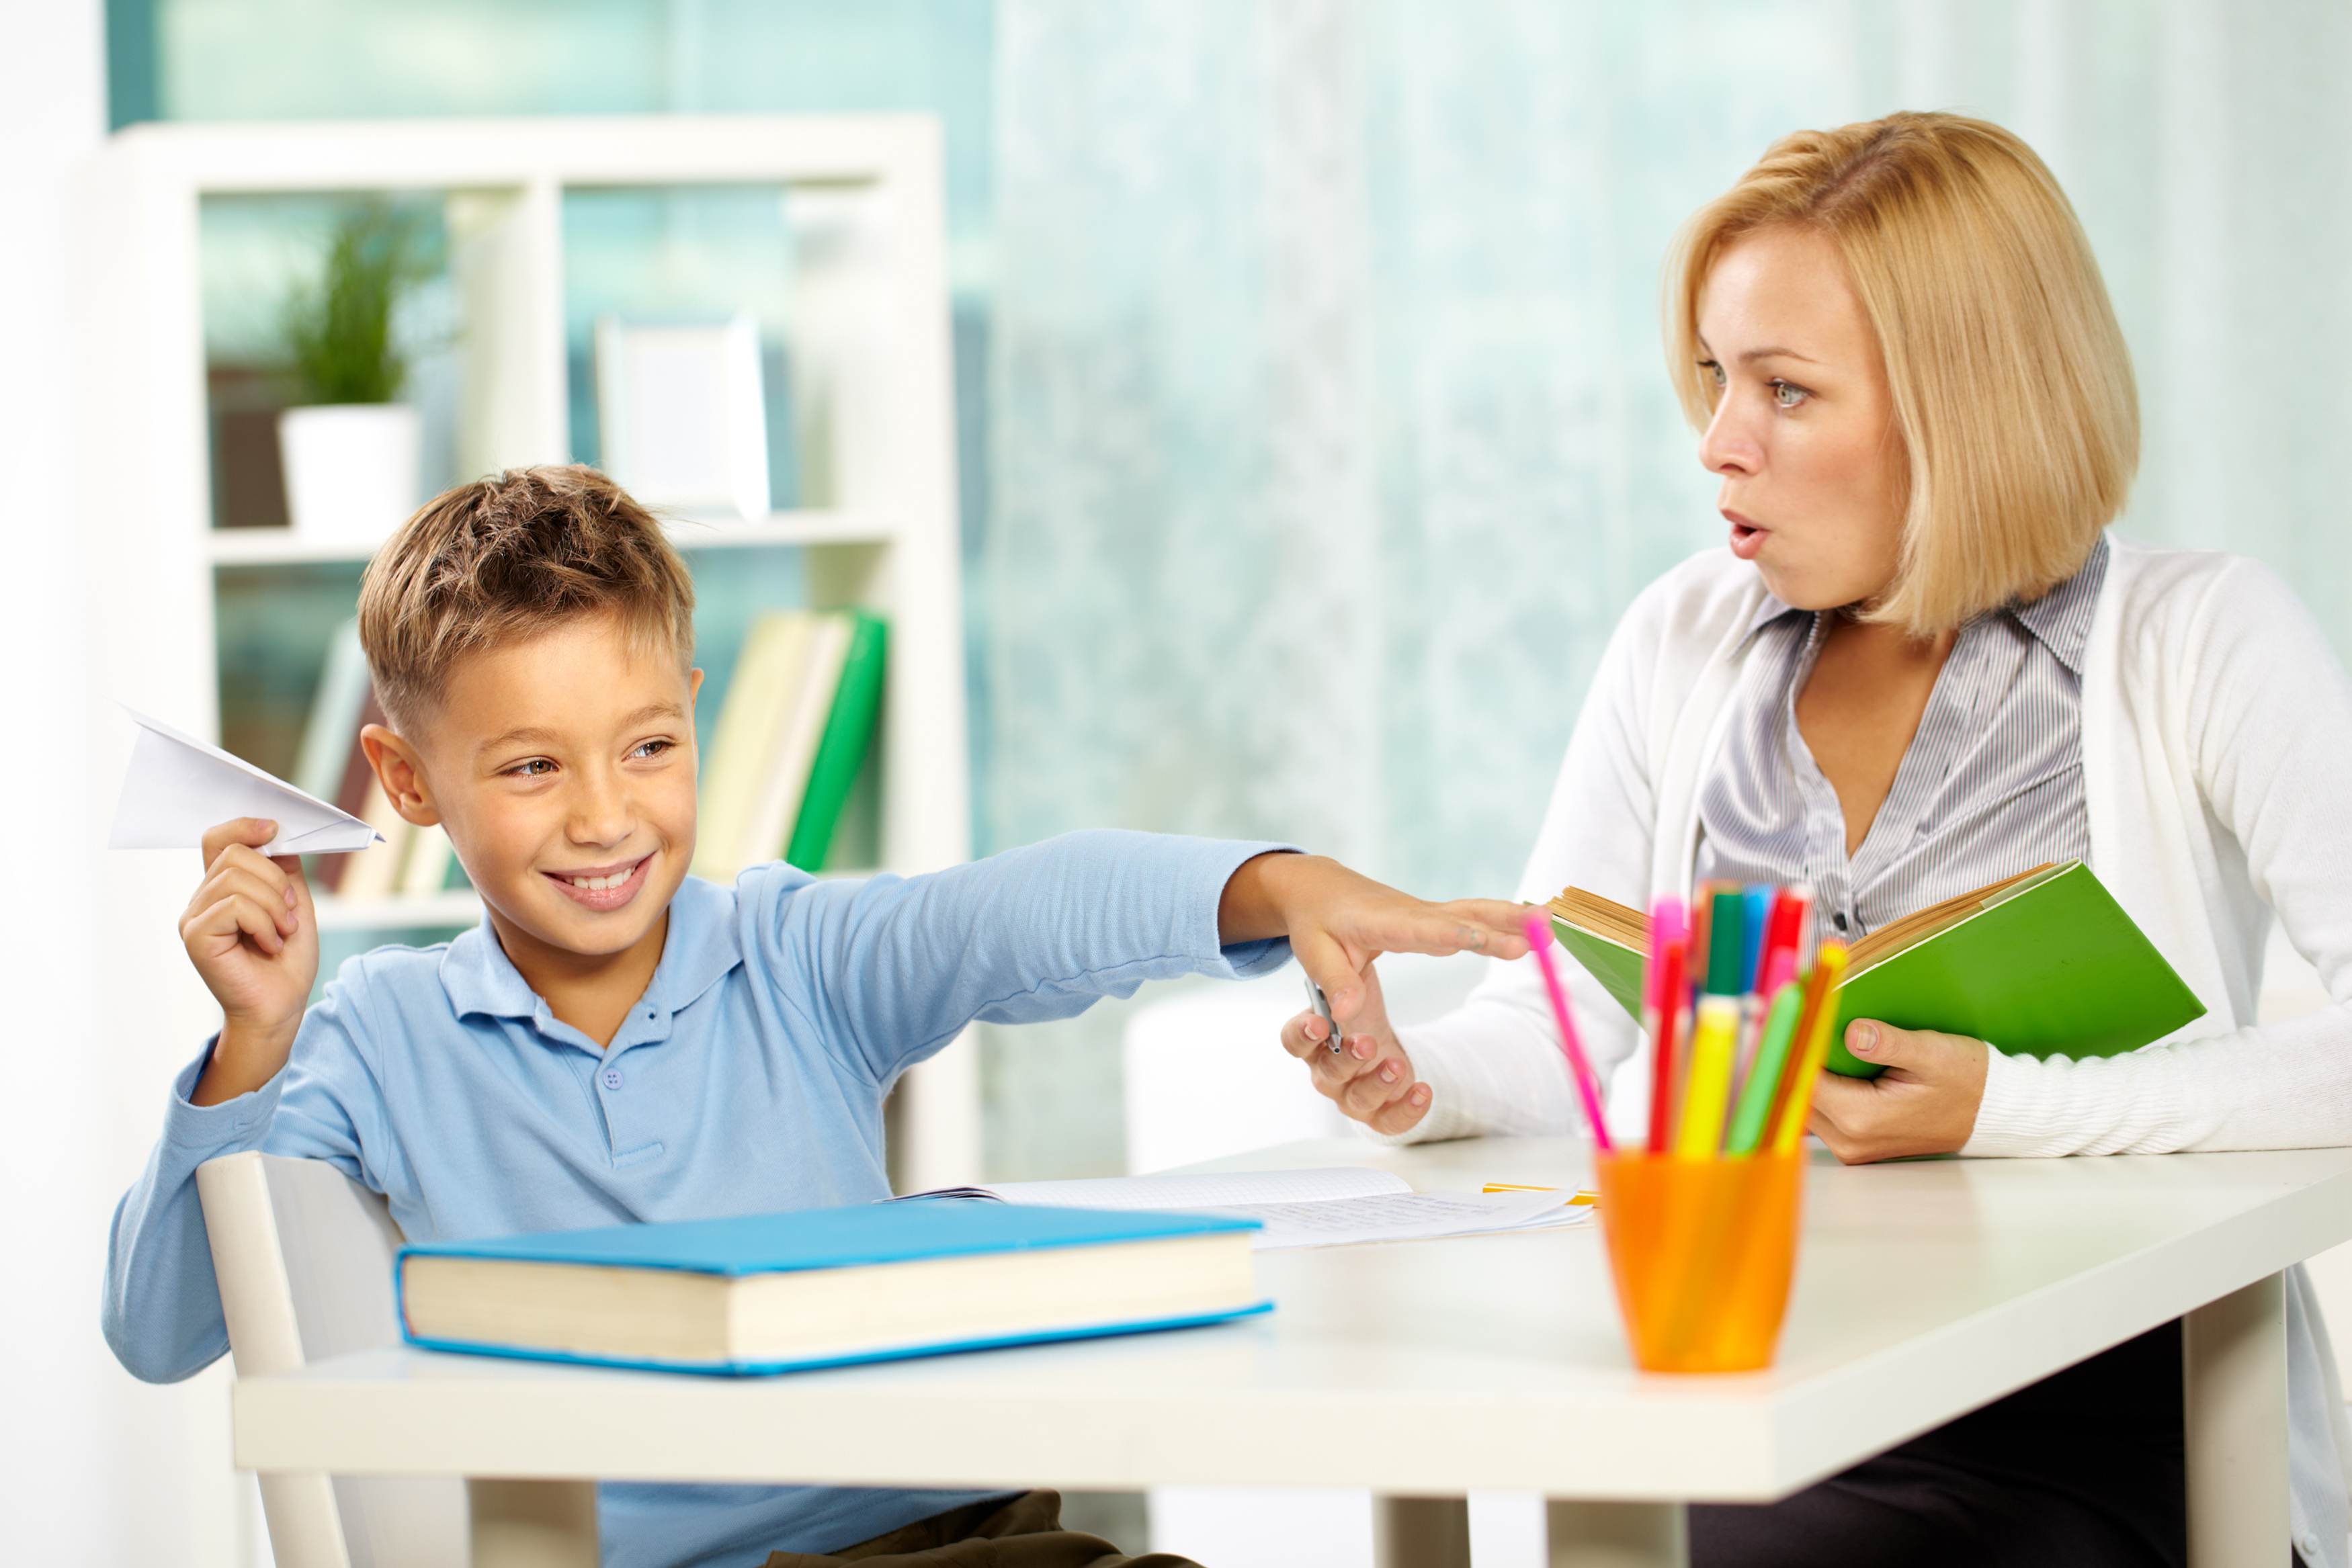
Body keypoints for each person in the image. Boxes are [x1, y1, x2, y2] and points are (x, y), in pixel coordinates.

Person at [101, 464, 1531, 1568]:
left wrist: (1275, 887)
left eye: (649, 747)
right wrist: (253, 1050)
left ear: (695, 716)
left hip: (957, 1540)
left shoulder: (793, 955)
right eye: (531, 766)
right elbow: (160, 1330)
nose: (607, 815)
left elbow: (1021, 911)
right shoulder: (372, 1035)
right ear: (405, 784)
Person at [1284, 112, 2352, 1567]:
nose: (1719, 443)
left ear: (1965, 406)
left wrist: (2002, 1108)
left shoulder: (2198, 636)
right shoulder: (1680, 641)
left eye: (1786, 392)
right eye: (1716, 377)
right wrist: (1418, 1079)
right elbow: (1563, 1022)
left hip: (2104, 1408)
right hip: (1762, 1387)